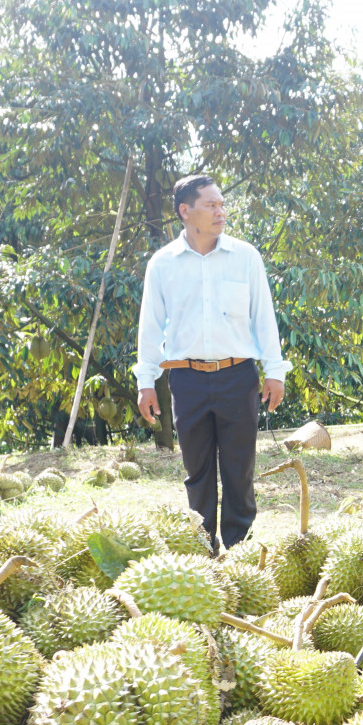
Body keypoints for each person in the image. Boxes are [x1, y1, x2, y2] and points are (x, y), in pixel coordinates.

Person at [134, 174, 288, 552]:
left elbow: (262, 317)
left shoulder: (245, 257)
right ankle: (202, 549)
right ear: (186, 211)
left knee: (239, 469)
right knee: (197, 471)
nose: (221, 211)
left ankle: (240, 550)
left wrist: (274, 371)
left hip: (238, 376)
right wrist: (146, 381)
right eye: (211, 205)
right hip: (185, 379)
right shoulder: (163, 264)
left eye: (222, 204)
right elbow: (150, 326)